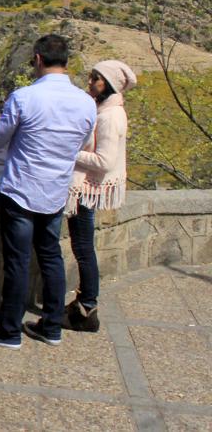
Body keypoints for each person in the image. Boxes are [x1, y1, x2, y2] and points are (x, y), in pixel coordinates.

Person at [0, 34, 97, 349]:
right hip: (55, 190)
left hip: (22, 189)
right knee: (51, 257)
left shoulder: (24, 97)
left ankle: (8, 331)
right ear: (66, 61)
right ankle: (52, 326)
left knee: (18, 261)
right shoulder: (86, 102)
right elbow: (80, 144)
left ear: (38, 59)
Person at [65, 60, 136, 333]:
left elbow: (104, 161)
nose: (89, 82)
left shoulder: (109, 117)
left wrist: (69, 152)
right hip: (88, 188)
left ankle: (87, 306)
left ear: (106, 83)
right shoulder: (108, 111)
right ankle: (85, 303)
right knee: (83, 248)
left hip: (87, 189)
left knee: (83, 250)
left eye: (94, 78)